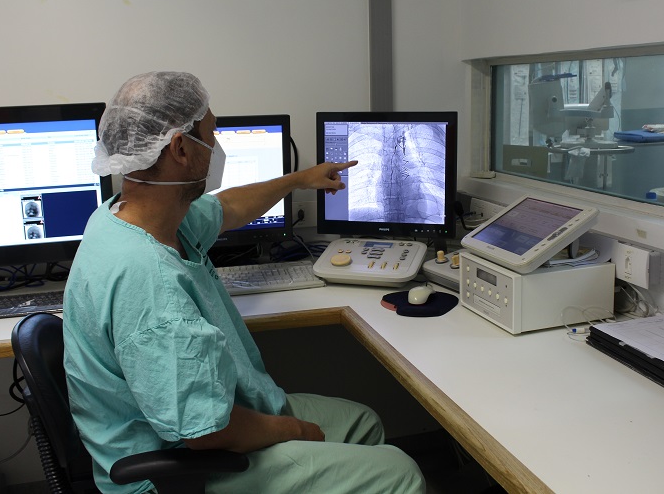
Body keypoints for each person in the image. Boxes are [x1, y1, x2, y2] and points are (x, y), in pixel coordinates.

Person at [63, 71, 426, 494]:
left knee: (362, 423)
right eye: (211, 133)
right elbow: (206, 432)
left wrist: (299, 179)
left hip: (214, 419)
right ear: (180, 148)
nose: (216, 146)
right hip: (180, 469)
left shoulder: (129, 215)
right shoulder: (149, 281)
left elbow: (229, 208)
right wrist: (296, 431)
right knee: (401, 474)